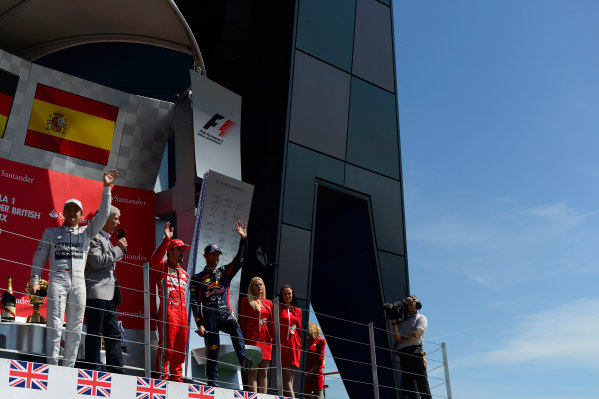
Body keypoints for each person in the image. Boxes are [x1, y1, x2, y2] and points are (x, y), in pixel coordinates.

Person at [30, 169, 119, 367]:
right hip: (58, 279)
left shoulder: (87, 233)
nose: (72, 212)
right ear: (63, 212)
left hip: (79, 282)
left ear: (80, 215)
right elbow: (39, 257)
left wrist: (106, 188)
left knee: (75, 327)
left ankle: (68, 368)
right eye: (68, 209)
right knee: (54, 324)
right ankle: (52, 365)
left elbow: (104, 214)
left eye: (75, 210)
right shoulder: (51, 233)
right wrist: (35, 280)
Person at [189, 220, 252, 387]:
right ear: (206, 256)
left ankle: (244, 360)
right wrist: (200, 323)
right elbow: (195, 303)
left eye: (217, 254)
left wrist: (243, 240)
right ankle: (213, 385)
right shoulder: (197, 278)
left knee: (234, 325)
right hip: (209, 318)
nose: (216, 257)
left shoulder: (224, 272)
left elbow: (239, 261)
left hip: (224, 313)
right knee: (213, 350)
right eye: (212, 254)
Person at [83, 205, 127, 374]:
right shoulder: (94, 237)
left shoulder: (106, 239)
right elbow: (97, 262)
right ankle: (93, 369)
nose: (118, 222)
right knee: (95, 332)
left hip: (110, 295)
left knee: (114, 334)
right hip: (95, 293)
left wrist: (117, 249)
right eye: (115, 218)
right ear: (106, 219)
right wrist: (118, 249)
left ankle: (116, 370)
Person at [150, 221, 190, 382]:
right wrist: (166, 240)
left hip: (183, 314)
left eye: (183, 250)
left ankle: (177, 380)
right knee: (167, 348)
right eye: (178, 250)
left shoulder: (185, 274)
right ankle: (163, 380)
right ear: (170, 252)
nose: (182, 253)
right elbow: (154, 260)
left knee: (180, 351)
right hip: (169, 311)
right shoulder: (162, 267)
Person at [391, 295, 432, 399]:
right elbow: (397, 337)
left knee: (422, 383)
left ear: (416, 304)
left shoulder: (421, 318)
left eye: (410, 303)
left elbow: (416, 335)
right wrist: (394, 322)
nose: (408, 306)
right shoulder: (402, 322)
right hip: (404, 354)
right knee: (408, 386)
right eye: (407, 304)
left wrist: (402, 341)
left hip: (416, 352)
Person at [239, 276, 274, 393]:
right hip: (252, 339)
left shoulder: (269, 303)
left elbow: (272, 324)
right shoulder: (246, 300)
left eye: (261, 284)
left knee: (264, 372)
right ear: (252, 287)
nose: (259, 286)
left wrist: (271, 339)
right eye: (256, 285)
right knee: (253, 371)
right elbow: (242, 322)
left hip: (266, 340)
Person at [278, 284, 302, 398]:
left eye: (289, 294)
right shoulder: (278, 308)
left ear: (293, 295)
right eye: (285, 294)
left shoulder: (298, 310)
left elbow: (299, 330)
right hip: (283, 343)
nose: (287, 296)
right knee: (287, 377)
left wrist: (299, 344)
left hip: (295, 344)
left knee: (291, 377)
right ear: (281, 295)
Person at [304, 322, 326, 399]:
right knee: (306, 395)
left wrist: (311, 372)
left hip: (316, 373)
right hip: (306, 373)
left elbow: (320, 359)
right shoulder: (305, 342)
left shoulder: (321, 341)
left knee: (317, 396)